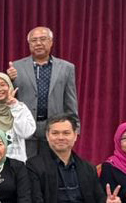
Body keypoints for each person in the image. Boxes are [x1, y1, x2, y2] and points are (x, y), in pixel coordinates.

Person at [8, 27, 79, 158]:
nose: (38, 43)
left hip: (55, 128)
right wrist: (9, 79)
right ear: (29, 44)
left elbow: (70, 100)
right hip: (25, 127)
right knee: (27, 169)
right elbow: (9, 97)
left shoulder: (66, 68)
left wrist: (75, 128)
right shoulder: (16, 67)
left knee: (53, 169)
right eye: (34, 40)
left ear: (51, 42)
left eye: (43, 39)